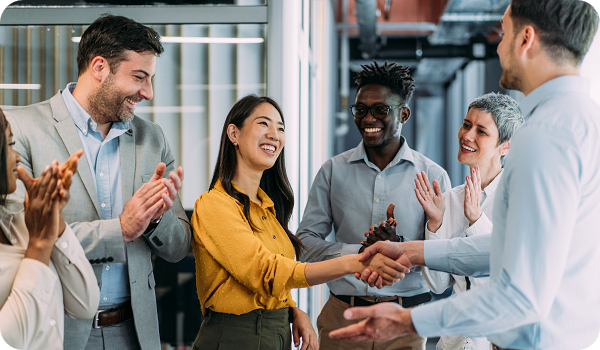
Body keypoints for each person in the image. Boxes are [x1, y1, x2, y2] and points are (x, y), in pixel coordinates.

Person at [329, 1, 600, 349]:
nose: (498, 45)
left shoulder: (547, 133)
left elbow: (519, 294)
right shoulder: (583, 119)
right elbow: (513, 250)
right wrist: (416, 252)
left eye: (504, 32)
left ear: (526, 39)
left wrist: (407, 319)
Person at [5, 15, 192, 350]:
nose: (148, 93)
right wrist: (120, 228)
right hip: (57, 328)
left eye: (150, 79)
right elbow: (28, 237)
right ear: (100, 67)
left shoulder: (152, 139)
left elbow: (179, 247)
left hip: (134, 332)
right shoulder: (21, 130)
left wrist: (156, 218)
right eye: (139, 77)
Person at [191, 95, 408, 350]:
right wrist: (355, 261)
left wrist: (292, 310)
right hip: (233, 337)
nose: (274, 134)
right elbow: (266, 272)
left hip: (276, 333)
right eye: (264, 124)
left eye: (280, 128)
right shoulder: (215, 204)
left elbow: (272, 279)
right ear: (233, 134)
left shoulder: (268, 209)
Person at [296, 61, 451, 350]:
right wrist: (361, 253)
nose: (369, 118)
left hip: (406, 321)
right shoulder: (332, 171)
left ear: (403, 113)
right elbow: (304, 245)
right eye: (361, 109)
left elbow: (445, 268)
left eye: (381, 109)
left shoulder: (433, 177)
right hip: (342, 317)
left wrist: (403, 248)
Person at [415, 93, 522, 350]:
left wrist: (476, 219)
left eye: (481, 131)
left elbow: (507, 279)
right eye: (466, 124)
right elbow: (438, 286)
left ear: (505, 146)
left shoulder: (520, 198)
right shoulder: (451, 199)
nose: (467, 135)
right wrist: (435, 225)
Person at [0, 109, 99, 349]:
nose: (17, 157)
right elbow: (8, 342)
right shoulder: (34, 236)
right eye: (9, 145)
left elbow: (85, 304)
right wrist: (39, 247)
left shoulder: (18, 218)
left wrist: (55, 220)